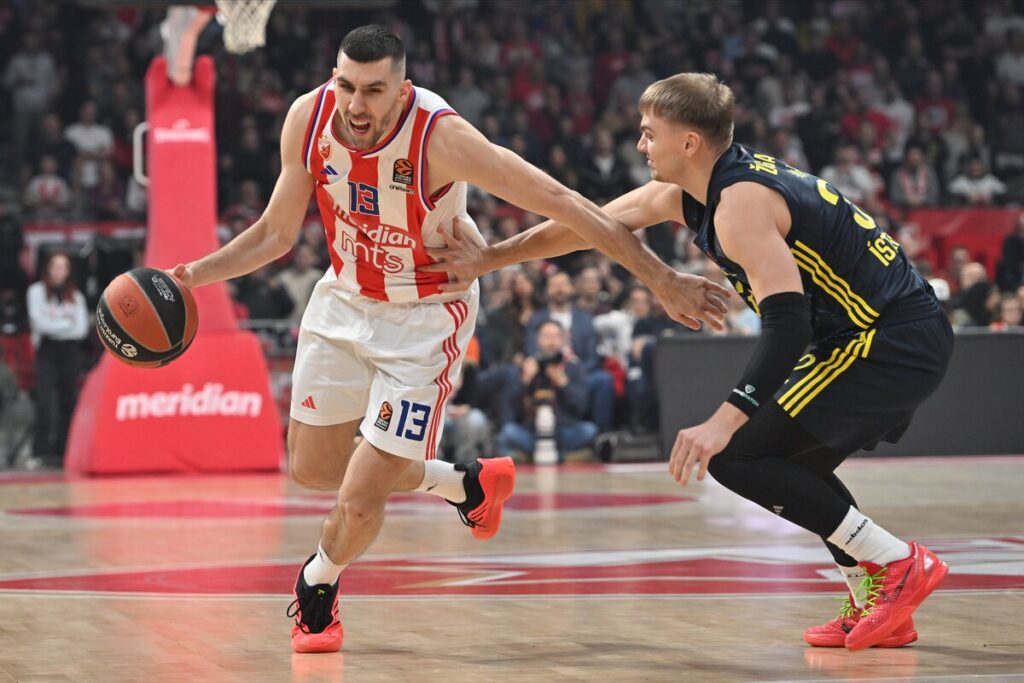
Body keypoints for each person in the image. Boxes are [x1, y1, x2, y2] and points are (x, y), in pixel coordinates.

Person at [170, 28, 729, 654]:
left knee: (358, 500)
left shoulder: (443, 138)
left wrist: (660, 279)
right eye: (346, 85)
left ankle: (317, 585)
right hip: (342, 300)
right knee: (313, 469)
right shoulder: (310, 116)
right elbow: (275, 233)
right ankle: (462, 483)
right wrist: (192, 276)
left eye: (374, 90)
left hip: (424, 318)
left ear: (401, 90)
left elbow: (567, 204)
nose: (356, 104)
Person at [425, 72, 953, 651]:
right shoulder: (697, 190)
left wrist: (723, 419)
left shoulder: (741, 203)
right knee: (789, 458)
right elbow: (588, 224)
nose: (640, 145)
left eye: (650, 133)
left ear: (689, 144)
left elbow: (787, 324)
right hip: (871, 337)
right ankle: (875, 599)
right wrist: (490, 258)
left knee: (738, 454)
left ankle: (898, 562)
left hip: (887, 339)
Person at [495, 319, 597, 462]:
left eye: (555, 336)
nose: (551, 341)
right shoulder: (528, 366)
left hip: (564, 431)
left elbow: (582, 407)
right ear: (537, 339)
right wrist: (525, 380)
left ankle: (540, 457)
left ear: (563, 339)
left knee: (589, 430)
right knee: (507, 433)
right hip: (531, 432)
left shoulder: (573, 368)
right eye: (546, 336)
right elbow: (509, 407)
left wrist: (564, 384)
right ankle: (566, 457)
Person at [26, 252, 88, 468]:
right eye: (55, 266)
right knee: (43, 401)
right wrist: (65, 324)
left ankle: (63, 451)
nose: (59, 271)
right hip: (47, 349)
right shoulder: (35, 292)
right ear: (48, 269)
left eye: (63, 267)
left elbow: (80, 330)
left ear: (69, 271)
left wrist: (58, 324)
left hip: (69, 352)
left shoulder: (76, 296)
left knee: (68, 401)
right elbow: (41, 324)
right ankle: (39, 452)